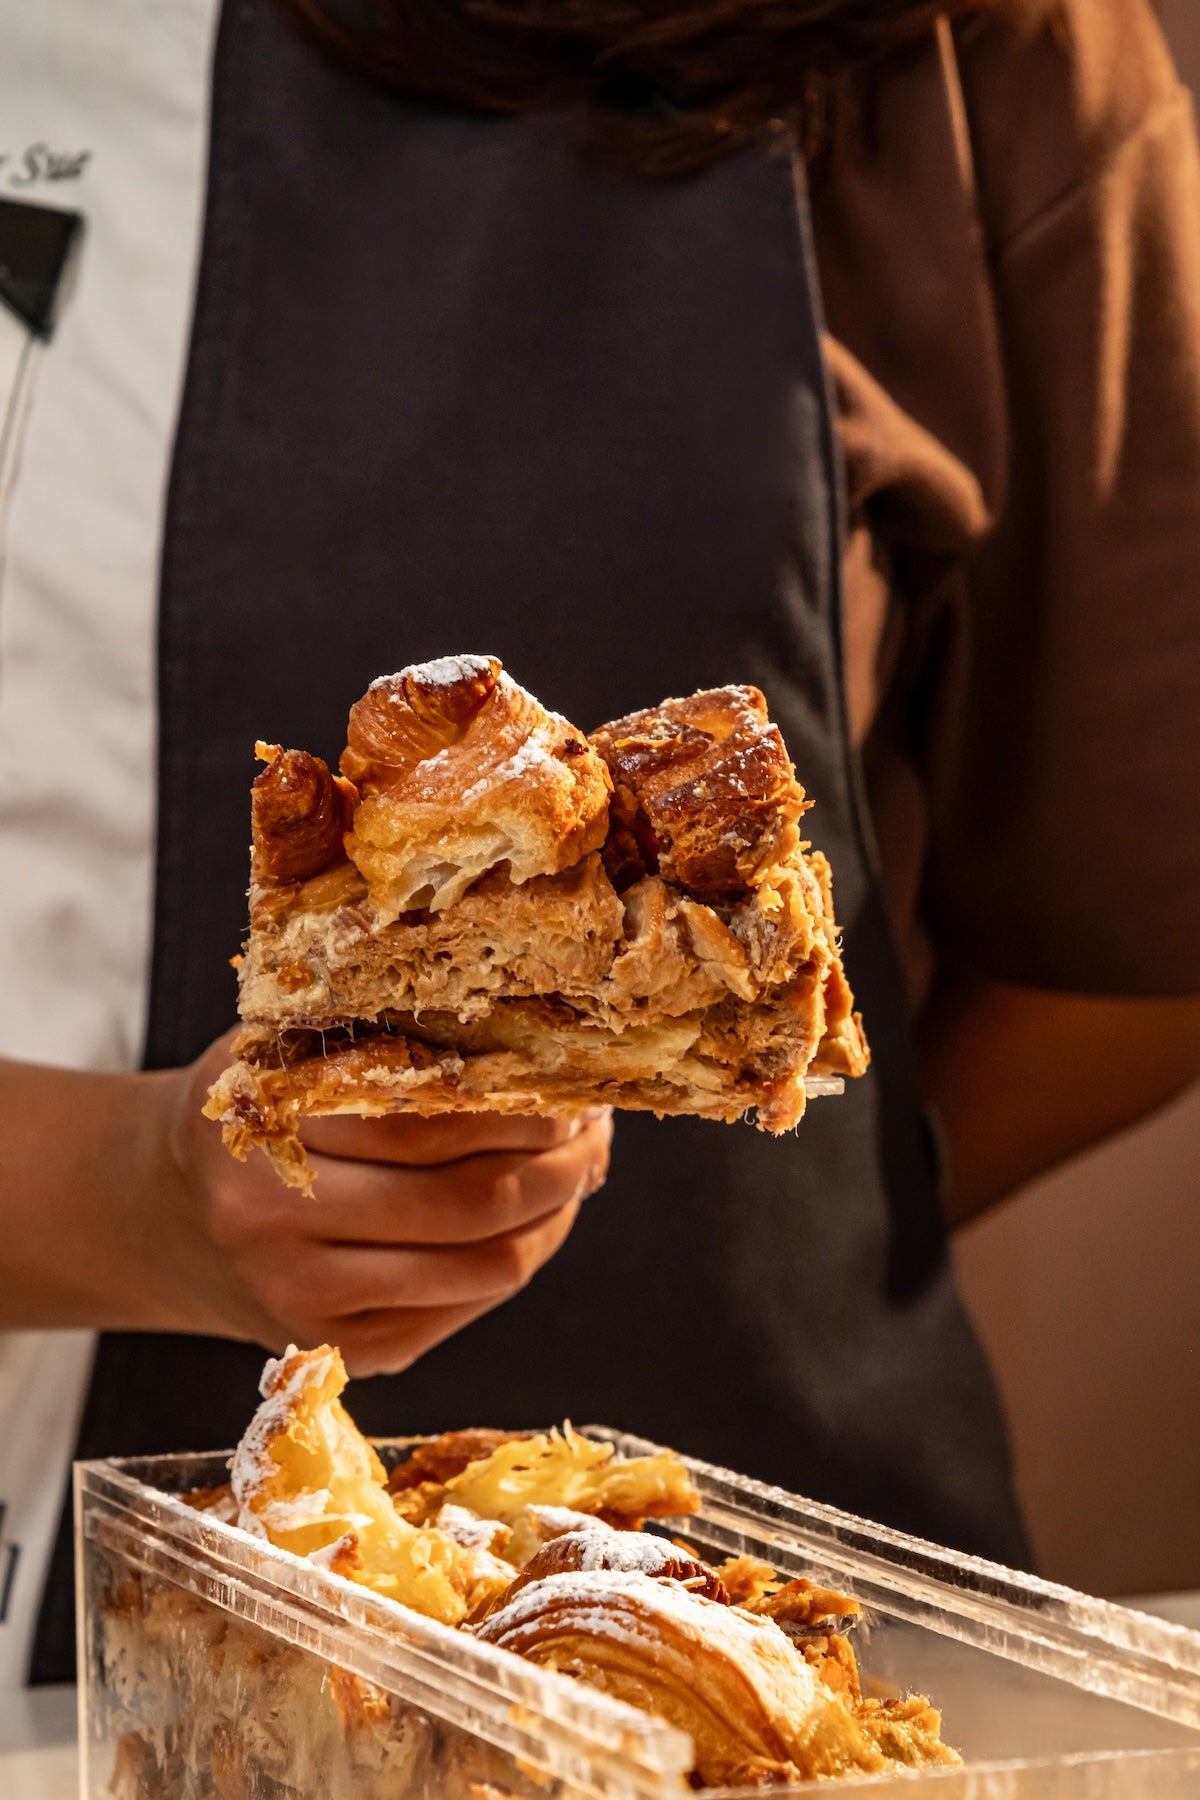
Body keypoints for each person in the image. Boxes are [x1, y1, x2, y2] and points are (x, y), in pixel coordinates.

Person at [2, 0, 1199, 1689]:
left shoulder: (982, 51)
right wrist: (129, 1194)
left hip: (758, 1601)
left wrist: (754, 1141)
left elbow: (1127, 956)